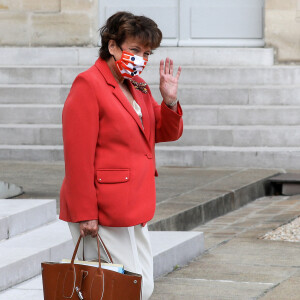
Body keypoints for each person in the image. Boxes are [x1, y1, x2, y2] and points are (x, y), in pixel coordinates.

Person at [59, 11, 183, 300]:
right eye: (135, 50)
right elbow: (77, 157)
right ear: (112, 46)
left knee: (138, 286)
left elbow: (162, 132)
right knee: (121, 288)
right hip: (103, 207)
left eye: (147, 53)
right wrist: (85, 212)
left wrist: (170, 101)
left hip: (134, 204)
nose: (142, 58)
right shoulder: (88, 84)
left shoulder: (137, 85)